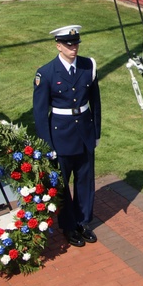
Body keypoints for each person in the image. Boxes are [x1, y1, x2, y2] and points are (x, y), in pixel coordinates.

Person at [32, 25, 102, 248]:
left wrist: (96, 133)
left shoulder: (87, 66)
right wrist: (46, 145)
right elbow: (40, 113)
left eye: (76, 44)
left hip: (84, 133)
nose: (74, 48)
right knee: (62, 184)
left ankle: (82, 221)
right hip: (60, 137)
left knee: (85, 181)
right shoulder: (46, 73)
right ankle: (69, 226)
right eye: (69, 44)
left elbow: (96, 102)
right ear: (58, 46)